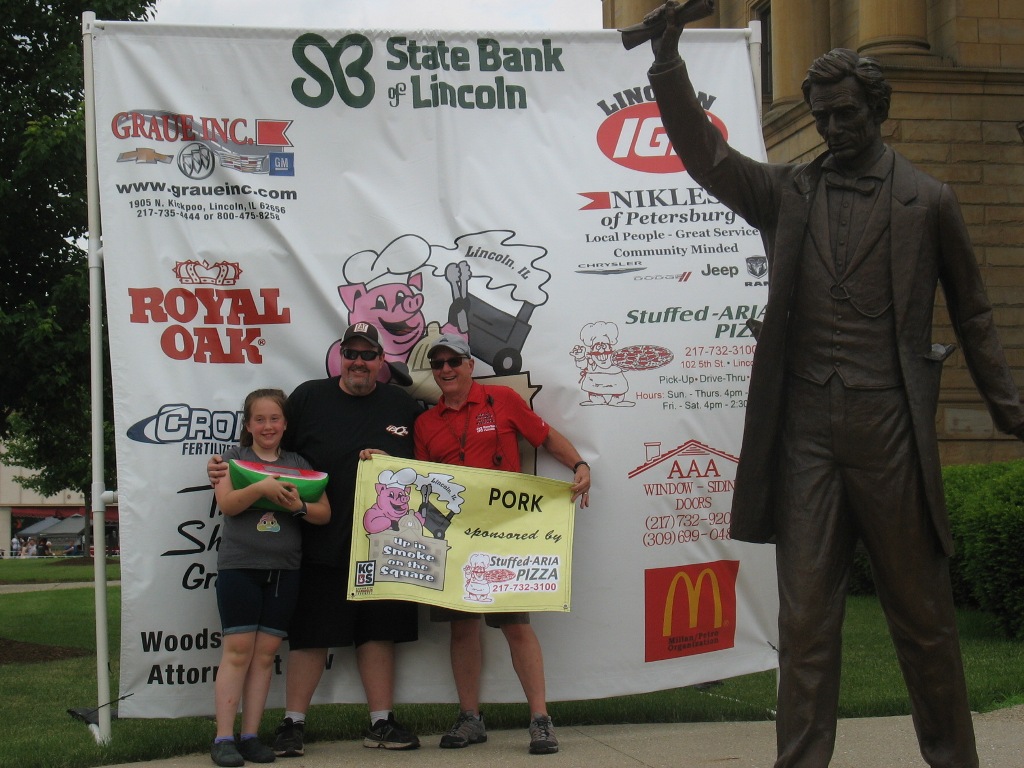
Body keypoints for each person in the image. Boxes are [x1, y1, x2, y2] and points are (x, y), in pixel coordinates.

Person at [639, 5, 1024, 767]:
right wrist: (667, 65)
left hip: (890, 431)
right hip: (807, 434)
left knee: (923, 620)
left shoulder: (929, 201)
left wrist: (1007, 405)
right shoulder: (787, 192)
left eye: (846, 114)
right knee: (806, 623)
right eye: (821, 116)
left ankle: (955, 760)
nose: (833, 128)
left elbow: (975, 311)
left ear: (877, 110)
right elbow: (707, 160)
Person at [209, 322, 423, 756]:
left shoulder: (401, 404)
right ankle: (292, 724)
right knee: (311, 635)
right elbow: (270, 449)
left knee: (378, 632)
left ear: (382, 360)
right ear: (340, 357)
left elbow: (425, 466)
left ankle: (381, 722)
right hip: (318, 540)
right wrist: (223, 468)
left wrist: (395, 462)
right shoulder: (309, 397)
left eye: (368, 355)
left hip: (385, 544)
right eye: (351, 353)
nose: (359, 362)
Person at [414, 334, 591, 755]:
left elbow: (545, 437)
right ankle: (470, 718)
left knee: (516, 626)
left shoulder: (503, 401)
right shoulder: (426, 423)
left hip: (504, 537)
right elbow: (420, 482)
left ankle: (541, 720)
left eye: (453, 361)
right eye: (438, 363)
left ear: (469, 365)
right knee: (462, 628)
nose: (445, 369)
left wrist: (579, 464)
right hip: (455, 539)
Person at [208, 388, 330, 768]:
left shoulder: (298, 463)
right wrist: (261, 487)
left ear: (285, 423)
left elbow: (323, 512)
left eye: (274, 418)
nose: (267, 426)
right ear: (247, 425)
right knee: (237, 652)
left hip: (284, 571)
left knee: (264, 657)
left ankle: (250, 736)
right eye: (259, 419)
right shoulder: (232, 459)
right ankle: (223, 738)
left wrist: (299, 506)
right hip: (240, 568)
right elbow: (228, 505)